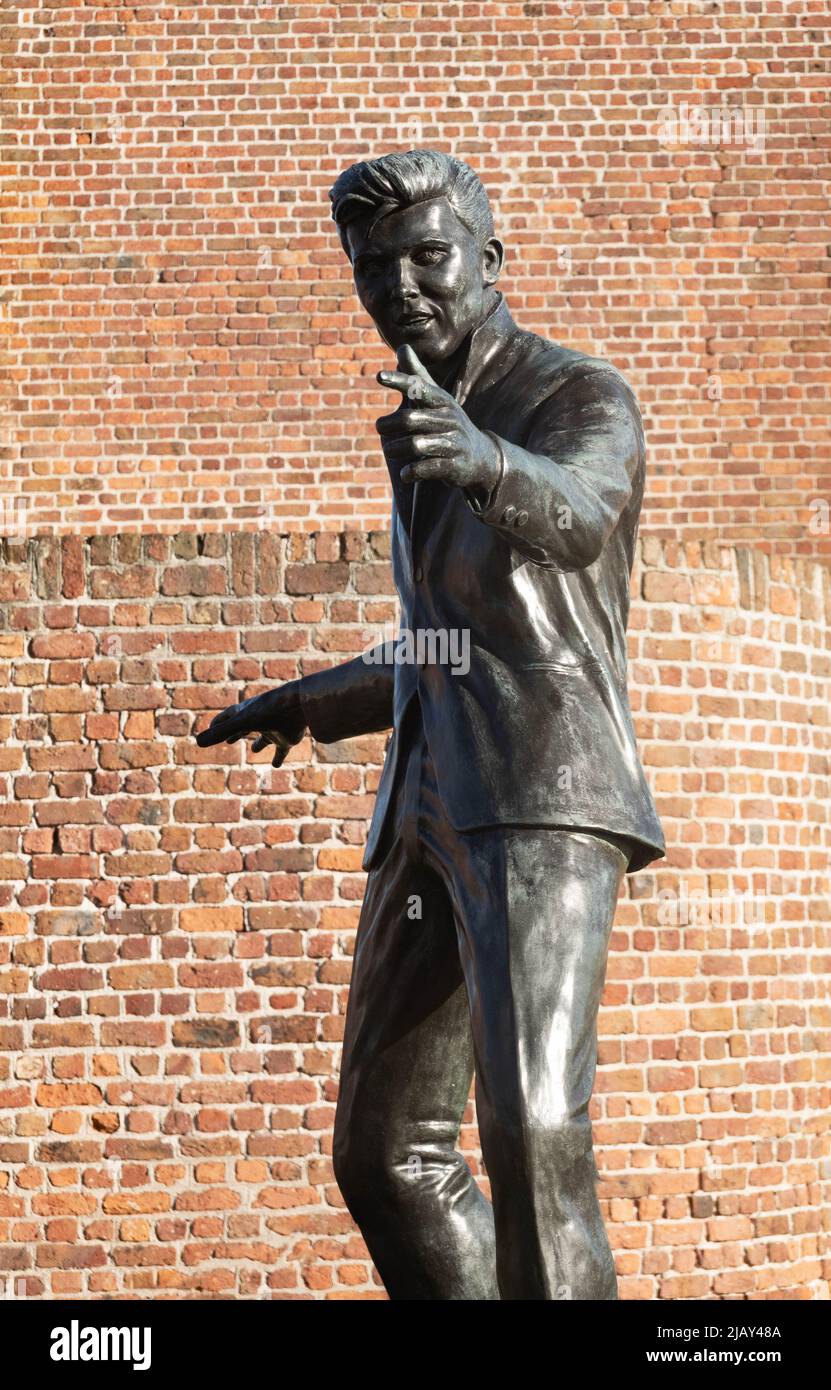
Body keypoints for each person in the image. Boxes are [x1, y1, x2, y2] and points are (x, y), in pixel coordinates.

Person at [196, 150, 665, 1300]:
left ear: (490, 261)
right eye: (374, 266)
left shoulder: (574, 395)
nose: (400, 283)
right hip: (426, 810)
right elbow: (449, 638)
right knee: (386, 1153)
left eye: (428, 255)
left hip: (540, 795)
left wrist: (484, 458)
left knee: (534, 1128)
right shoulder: (419, 413)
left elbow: (584, 514)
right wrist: (314, 701)